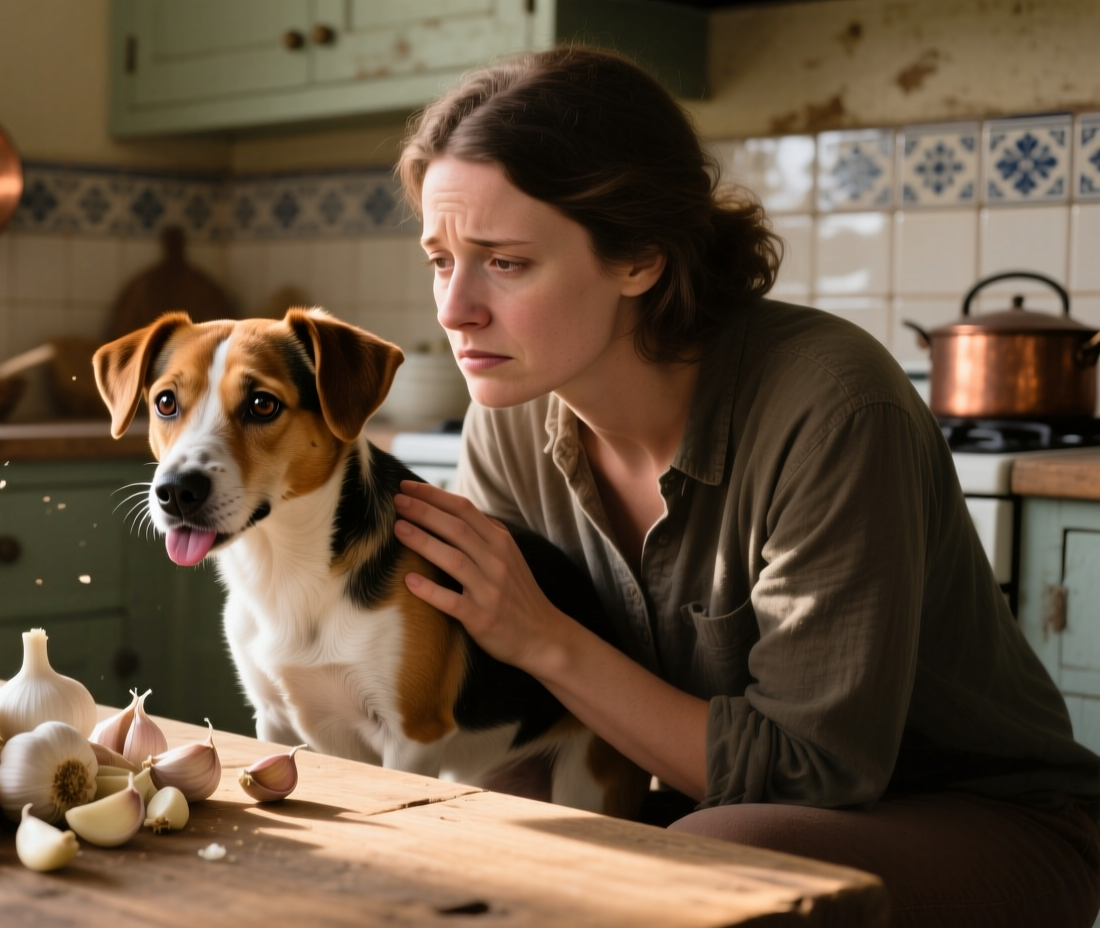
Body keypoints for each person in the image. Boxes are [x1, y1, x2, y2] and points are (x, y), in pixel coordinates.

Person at [388, 46, 1100, 928]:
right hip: (715, 811)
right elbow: (522, 715)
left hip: (988, 825)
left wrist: (542, 639)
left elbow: (818, 771)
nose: (454, 309)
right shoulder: (508, 413)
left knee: (697, 863)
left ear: (640, 256)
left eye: (504, 263)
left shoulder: (835, 409)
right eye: (439, 259)